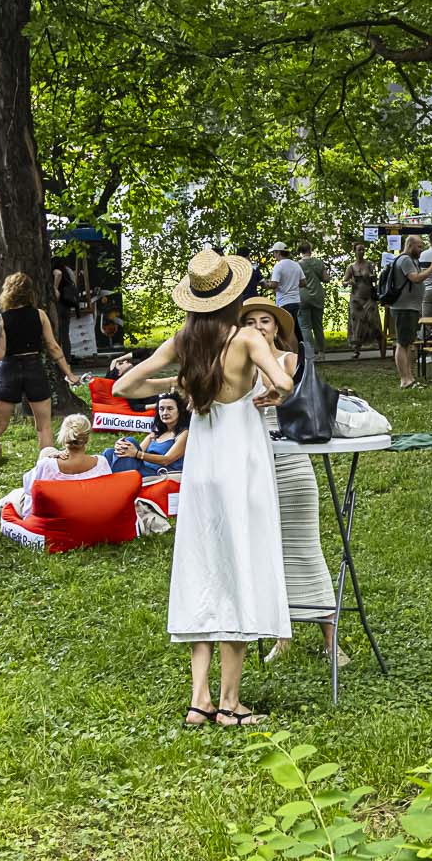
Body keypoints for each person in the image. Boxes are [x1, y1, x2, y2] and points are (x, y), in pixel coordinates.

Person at [115, 249, 298, 728]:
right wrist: (273, 391)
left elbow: (124, 388)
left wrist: (176, 381)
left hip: (201, 468)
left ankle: (200, 700)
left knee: (203, 567)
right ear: (232, 297)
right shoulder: (247, 338)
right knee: (240, 565)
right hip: (242, 464)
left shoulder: (184, 341)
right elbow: (284, 381)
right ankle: (230, 704)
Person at [239, 299, 345, 668]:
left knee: (306, 550)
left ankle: (332, 641)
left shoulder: (289, 362)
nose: (258, 327)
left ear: (276, 328)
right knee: (268, 553)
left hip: (291, 463)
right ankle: (282, 635)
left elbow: (307, 403)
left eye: (265, 321)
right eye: (250, 322)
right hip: (254, 467)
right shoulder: (236, 366)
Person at [0, 272, 79, 476]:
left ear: (7, 292)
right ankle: (45, 470)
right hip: (34, 368)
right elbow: (53, 347)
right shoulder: (40, 315)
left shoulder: (0, 319)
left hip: (9, 371)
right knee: (43, 426)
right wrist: (69, 373)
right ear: (30, 292)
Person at [8, 413, 107, 512]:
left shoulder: (47, 465)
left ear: (63, 436)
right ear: (88, 439)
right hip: (88, 514)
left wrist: (48, 460)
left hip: (52, 517)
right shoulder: (101, 463)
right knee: (47, 451)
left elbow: (30, 492)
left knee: (14, 495)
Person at [102, 392, 189, 478]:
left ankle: (110, 480)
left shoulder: (183, 434)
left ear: (179, 411)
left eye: (170, 408)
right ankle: (111, 480)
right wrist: (120, 445)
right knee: (109, 452)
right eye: (161, 409)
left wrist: (137, 454)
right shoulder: (155, 434)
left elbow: (167, 460)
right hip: (141, 468)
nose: (165, 412)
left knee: (130, 441)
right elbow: (132, 451)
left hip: (157, 473)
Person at [388, 234, 432, 390]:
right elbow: (416, 278)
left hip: (411, 307)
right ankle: (405, 379)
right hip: (404, 308)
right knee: (402, 343)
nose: (421, 250)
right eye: (419, 246)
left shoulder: (411, 260)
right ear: (410, 245)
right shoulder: (405, 260)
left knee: (408, 343)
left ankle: (410, 377)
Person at [344, 242, 386, 361]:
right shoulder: (351, 267)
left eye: (363, 250)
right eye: (359, 250)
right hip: (356, 299)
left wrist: (371, 276)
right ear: (355, 251)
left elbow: (375, 279)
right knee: (356, 324)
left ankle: (381, 346)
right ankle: (356, 349)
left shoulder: (369, 264)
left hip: (369, 298)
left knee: (374, 321)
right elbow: (344, 281)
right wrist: (349, 282)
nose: (361, 252)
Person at [295, 242, 329, 355]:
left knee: (305, 327)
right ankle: (322, 352)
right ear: (310, 249)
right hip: (317, 296)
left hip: (303, 297)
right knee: (318, 326)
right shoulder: (319, 262)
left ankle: (309, 352)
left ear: (300, 251)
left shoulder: (297, 265)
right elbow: (326, 279)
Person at [267, 243, 303, 324]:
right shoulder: (296, 265)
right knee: (297, 329)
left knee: (286, 328)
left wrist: (267, 284)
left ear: (278, 252)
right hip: (297, 302)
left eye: (274, 252)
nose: (274, 255)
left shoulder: (278, 266)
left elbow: (274, 284)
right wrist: (293, 284)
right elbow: (303, 282)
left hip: (284, 303)